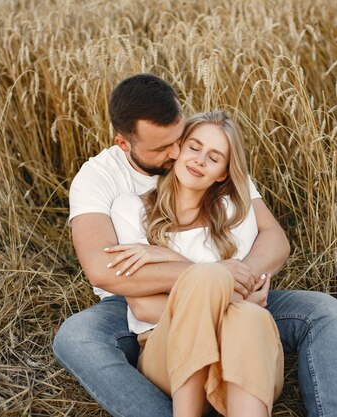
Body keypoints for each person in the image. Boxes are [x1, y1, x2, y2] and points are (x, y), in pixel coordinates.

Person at [53, 73, 337, 417]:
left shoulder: (206, 153)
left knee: (323, 311)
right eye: (164, 148)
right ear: (125, 144)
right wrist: (215, 279)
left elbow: (273, 238)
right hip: (135, 300)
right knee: (76, 337)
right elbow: (106, 272)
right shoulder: (102, 180)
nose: (179, 151)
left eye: (180, 137)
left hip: (234, 293)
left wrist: (238, 282)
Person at [109, 111, 283, 417]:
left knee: (249, 320)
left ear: (223, 174)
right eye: (194, 147)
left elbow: (251, 288)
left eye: (214, 157)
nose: (200, 160)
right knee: (233, 301)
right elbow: (142, 307)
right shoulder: (131, 209)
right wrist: (223, 293)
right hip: (165, 352)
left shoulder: (233, 214)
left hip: (237, 352)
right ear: (176, 150)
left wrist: (169, 257)